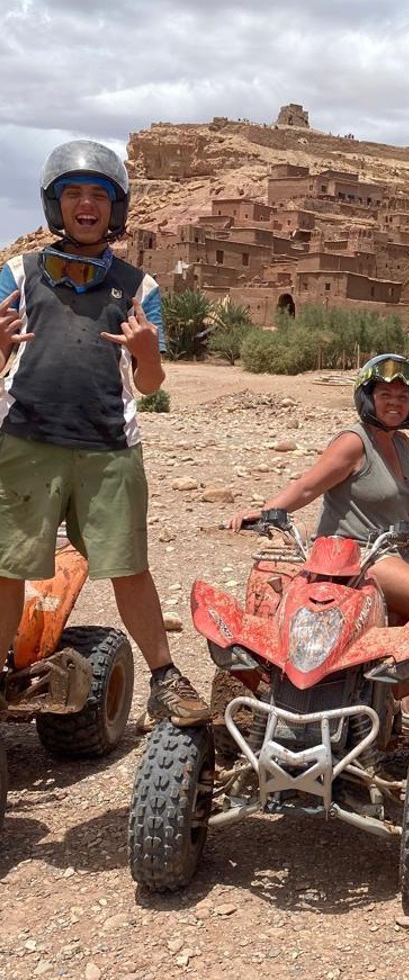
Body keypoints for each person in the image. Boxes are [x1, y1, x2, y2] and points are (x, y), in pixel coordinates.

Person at [0, 140, 210, 726]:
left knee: (127, 564)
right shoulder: (17, 273)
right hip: (24, 441)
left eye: (98, 194)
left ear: (115, 209)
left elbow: (148, 383)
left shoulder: (139, 287)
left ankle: (165, 677)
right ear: (55, 205)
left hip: (109, 448)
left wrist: (148, 353)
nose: (86, 204)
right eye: (74, 193)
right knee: (7, 567)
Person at [227, 353, 409, 732]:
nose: (395, 402)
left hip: (395, 548)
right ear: (367, 398)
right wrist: (265, 511)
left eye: (403, 397)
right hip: (357, 552)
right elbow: (308, 485)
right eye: (386, 394)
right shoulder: (354, 442)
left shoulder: (400, 443)